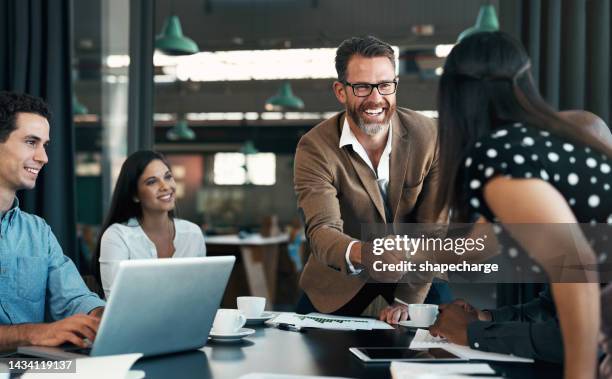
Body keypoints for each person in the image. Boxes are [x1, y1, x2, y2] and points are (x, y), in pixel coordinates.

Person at [428, 31, 611, 379]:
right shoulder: (554, 139)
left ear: (453, 101)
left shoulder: (498, 158)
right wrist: (483, 321)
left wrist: (472, 333)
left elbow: (578, 275)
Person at [293, 35, 450, 323]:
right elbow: (321, 231)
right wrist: (365, 253)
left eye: (384, 85)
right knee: (303, 350)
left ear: (395, 85)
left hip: (417, 273)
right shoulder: (314, 147)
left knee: (442, 348)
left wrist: (407, 302)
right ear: (341, 91)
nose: (376, 98)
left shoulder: (430, 136)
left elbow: (433, 231)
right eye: (362, 87)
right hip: (341, 275)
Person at [0, 91, 105, 351]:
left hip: (26, 369)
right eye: (31, 142)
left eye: (44, 145)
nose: (43, 157)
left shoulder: (38, 232)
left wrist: (102, 317)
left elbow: (74, 299)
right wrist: (34, 334)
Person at [93, 150, 206, 299]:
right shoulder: (117, 237)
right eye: (152, 181)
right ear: (135, 194)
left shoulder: (193, 234)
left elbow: (201, 295)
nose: (165, 186)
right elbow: (117, 303)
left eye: (168, 177)